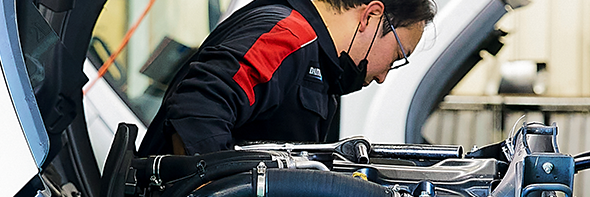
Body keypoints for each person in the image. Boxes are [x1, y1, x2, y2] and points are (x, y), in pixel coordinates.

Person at [136, 0, 434, 156]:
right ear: (371, 15)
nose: (383, 76)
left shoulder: (320, 66)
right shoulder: (289, 37)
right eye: (396, 55)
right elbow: (198, 106)